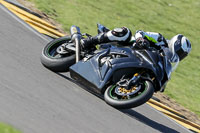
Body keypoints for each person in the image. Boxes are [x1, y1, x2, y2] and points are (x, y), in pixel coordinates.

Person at [81, 26, 191, 62]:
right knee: (125, 32)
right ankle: (88, 41)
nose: (179, 56)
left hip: (133, 61)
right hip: (128, 46)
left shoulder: (165, 60)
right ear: (175, 44)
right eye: (180, 52)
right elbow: (140, 32)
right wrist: (140, 40)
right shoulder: (160, 39)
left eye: (182, 55)